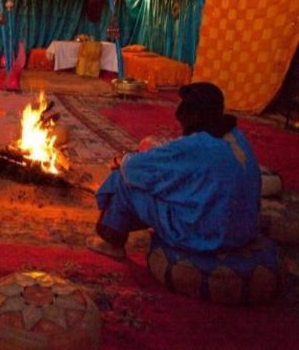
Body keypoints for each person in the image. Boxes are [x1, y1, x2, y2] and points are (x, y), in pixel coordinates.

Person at [86, 82, 261, 259]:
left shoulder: (195, 145)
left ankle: (110, 241)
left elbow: (133, 169)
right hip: (242, 232)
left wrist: (122, 160)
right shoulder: (236, 136)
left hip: (206, 235)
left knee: (122, 179)